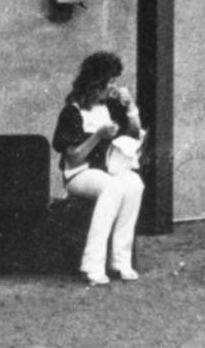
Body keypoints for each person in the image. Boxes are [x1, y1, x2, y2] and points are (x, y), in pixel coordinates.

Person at [52, 51, 144, 285]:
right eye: (110, 81)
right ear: (96, 83)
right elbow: (73, 158)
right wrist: (98, 136)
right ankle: (92, 264)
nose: (114, 86)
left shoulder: (110, 107)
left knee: (134, 184)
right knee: (112, 188)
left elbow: (134, 133)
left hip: (107, 170)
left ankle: (120, 261)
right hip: (79, 174)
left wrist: (130, 106)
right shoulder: (73, 112)